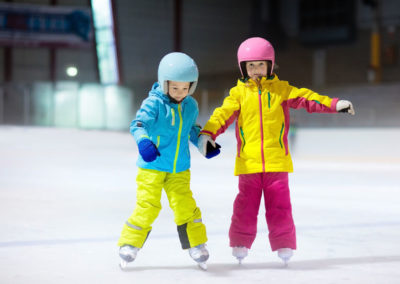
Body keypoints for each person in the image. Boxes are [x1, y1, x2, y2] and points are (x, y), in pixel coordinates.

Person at [198, 37, 355, 265]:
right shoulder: (238, 94)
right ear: (243, 68)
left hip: (277, 163)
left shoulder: (282, 90)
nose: (256, 70)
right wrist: (207, 134)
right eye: (250, 66)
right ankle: (240, 243)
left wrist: (333, 104)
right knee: (245, 206)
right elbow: (221, 115)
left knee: (280, 207)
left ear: (270, 65)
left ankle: (284, 245)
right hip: (249, 164)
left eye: (261, 65)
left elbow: (307, 98)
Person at [117, 52, 220, 270]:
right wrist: (144, 142)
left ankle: (196, 244)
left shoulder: (190, 106)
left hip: (179, 170)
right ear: (164, 83)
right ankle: (130, 243)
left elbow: (192, 130)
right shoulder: (153, 104)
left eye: (186, 88)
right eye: (175, 88)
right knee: (148, 206)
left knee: (185, 206)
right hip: (152, 167)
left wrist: (204, 145)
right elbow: (138, 125)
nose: (180, 93)